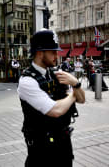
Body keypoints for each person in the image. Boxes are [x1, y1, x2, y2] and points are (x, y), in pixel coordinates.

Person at [17, 29, 85, 167]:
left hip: (63, 144)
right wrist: (73, 94)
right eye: (52, 52)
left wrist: (76, 84)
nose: (57, 55)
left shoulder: (56, 74)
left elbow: (82, 99)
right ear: (40, 52)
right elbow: (55, 110)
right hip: (42, 151)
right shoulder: (27, 81)